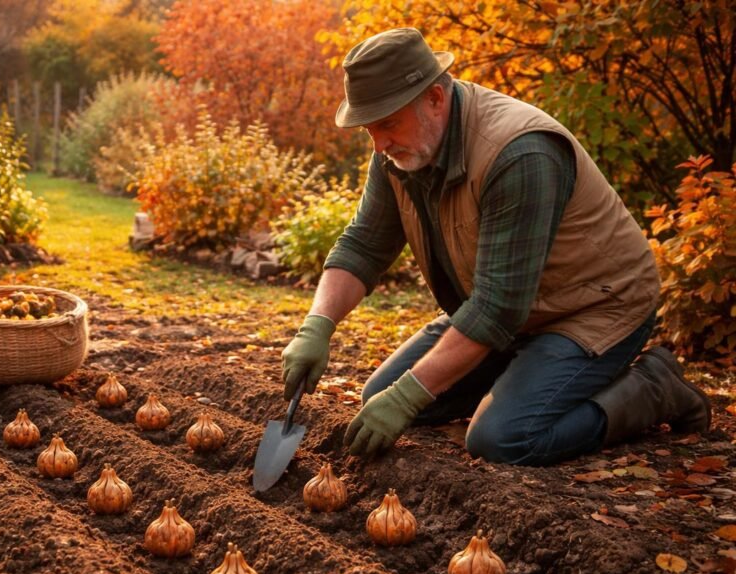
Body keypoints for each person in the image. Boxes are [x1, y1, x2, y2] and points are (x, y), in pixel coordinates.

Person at [280, 28, 711, 465]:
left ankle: (655, 387)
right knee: (378, 395)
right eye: (369, 129)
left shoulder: (520, 153)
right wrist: (316, 326)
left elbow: (496, 308)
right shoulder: (401, 147)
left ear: (433, 98)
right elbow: (364, 246)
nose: (379, 143)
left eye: (387, 124)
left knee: (501, 438)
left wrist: (409, 395)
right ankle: (529, 376)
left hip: (593, 308)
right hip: (509, 314)